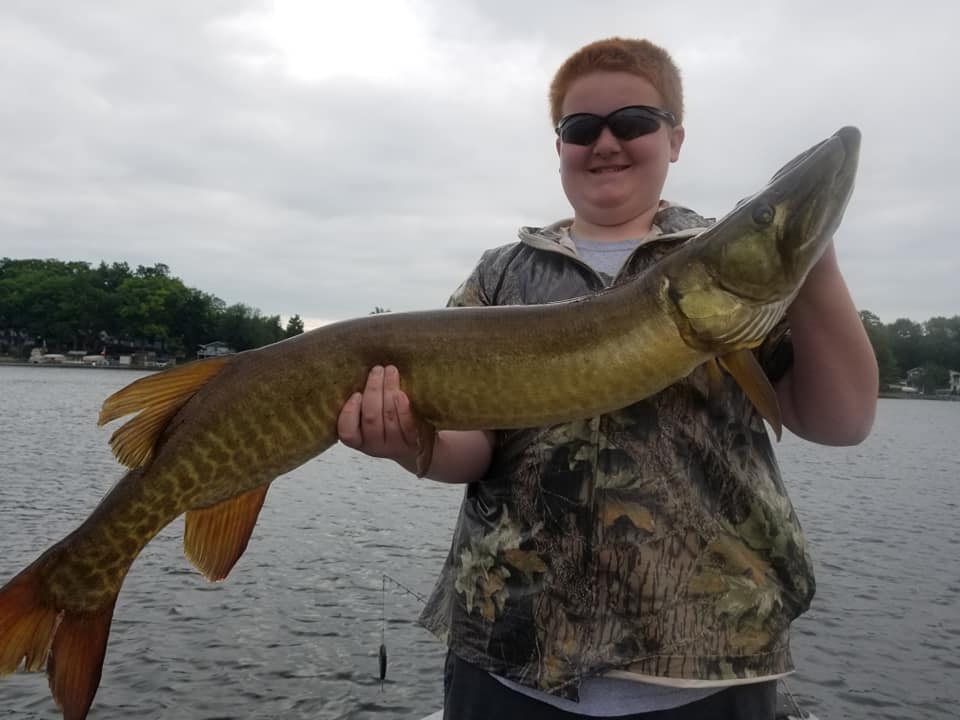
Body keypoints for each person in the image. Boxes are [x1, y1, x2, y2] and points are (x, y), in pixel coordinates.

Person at [337, 37, 878, 719]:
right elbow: (473, 446)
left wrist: (811, 261)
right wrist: (410, 443)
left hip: (709, 663)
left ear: (675, 139)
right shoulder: (501, 275)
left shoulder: (721, 270)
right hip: (510, 655)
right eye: (581, 128)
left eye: (634, 122)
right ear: (559, 146)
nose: (606, 143)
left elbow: (842, 420)